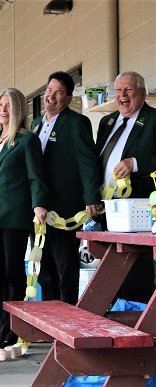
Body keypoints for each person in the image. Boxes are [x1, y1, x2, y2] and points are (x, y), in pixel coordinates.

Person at [0, 88, 48, 349]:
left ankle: (14, 328)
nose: (3, 110)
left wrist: (39, 204)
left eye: (9, 105)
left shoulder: (27, 141)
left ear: (18, 109)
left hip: (16, 215)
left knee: (13, 273)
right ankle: (2, 327)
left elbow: (35, 177)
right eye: (0, 104)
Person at [31, 71, 102, 305]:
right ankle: (51, 319)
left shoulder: (76, 122)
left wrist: (92, 197)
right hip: (38, 209)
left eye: (59, 92)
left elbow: (87, 162)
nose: (52, 96)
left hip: (65, 208)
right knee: (44, 269)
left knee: (66, 269)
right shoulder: (35, 123)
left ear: (69, 98)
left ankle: (69, 315)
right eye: (49, 90)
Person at [95, 71, 156, 304]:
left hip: (140, 209)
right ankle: (117, 311)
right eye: (118, 90)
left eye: (129, 90)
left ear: (142, 93)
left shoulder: (153, 119)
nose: (123, 95)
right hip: (109, 208)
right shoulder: (107, 121)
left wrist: (136, 163)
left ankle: (136, 314)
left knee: (136, 268)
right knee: (112, 264)